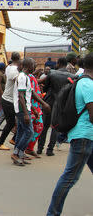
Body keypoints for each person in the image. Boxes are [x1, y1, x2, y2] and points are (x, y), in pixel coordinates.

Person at [46, 53, 92, 216]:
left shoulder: (82, 81)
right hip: (84, 136)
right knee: (69, 178)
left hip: (85, 135)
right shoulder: (88, 85)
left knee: (69, 177)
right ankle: (53, 213)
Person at [38, 57, 77, 156]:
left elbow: (46, 88)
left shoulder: (52, 73)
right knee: (55, 127)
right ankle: (50, 150)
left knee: (45, 126)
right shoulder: (72, 76)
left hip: (49, 102)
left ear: (58, 63)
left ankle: (39, 148)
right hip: (61, 104)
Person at [10, 58, 34, 166]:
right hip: (21, 109)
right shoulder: (22, 77)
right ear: (29, 66)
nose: (35, 67)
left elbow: (28, 95)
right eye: (34, 65)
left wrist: (32, 109)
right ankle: (16, 153)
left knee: (21, 131)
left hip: (24, 108)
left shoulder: (26, 77)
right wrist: (25, 113)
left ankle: (19, 153)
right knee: (29, 132)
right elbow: (21, 96)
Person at [0, 52, 21, 150]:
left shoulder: (9, 67)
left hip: (8, 98)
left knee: (11, 121)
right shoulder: (13, 70)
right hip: (8, 99)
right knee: (11, 122)